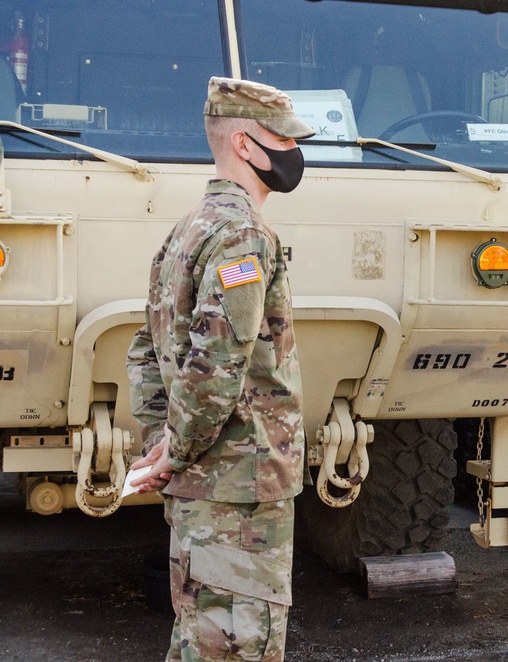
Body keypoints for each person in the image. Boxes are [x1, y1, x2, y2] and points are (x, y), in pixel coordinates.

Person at [126, 76, 315, 661]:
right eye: (281, 140)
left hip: (203, 492)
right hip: (240, 493)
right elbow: (215, 366)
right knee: (238, 646)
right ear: (243, 144)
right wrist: (174, 452)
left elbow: (146, 350)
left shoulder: (188, 230)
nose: (292, 154)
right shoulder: (242, 236)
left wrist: (162, 447)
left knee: (198, 642)